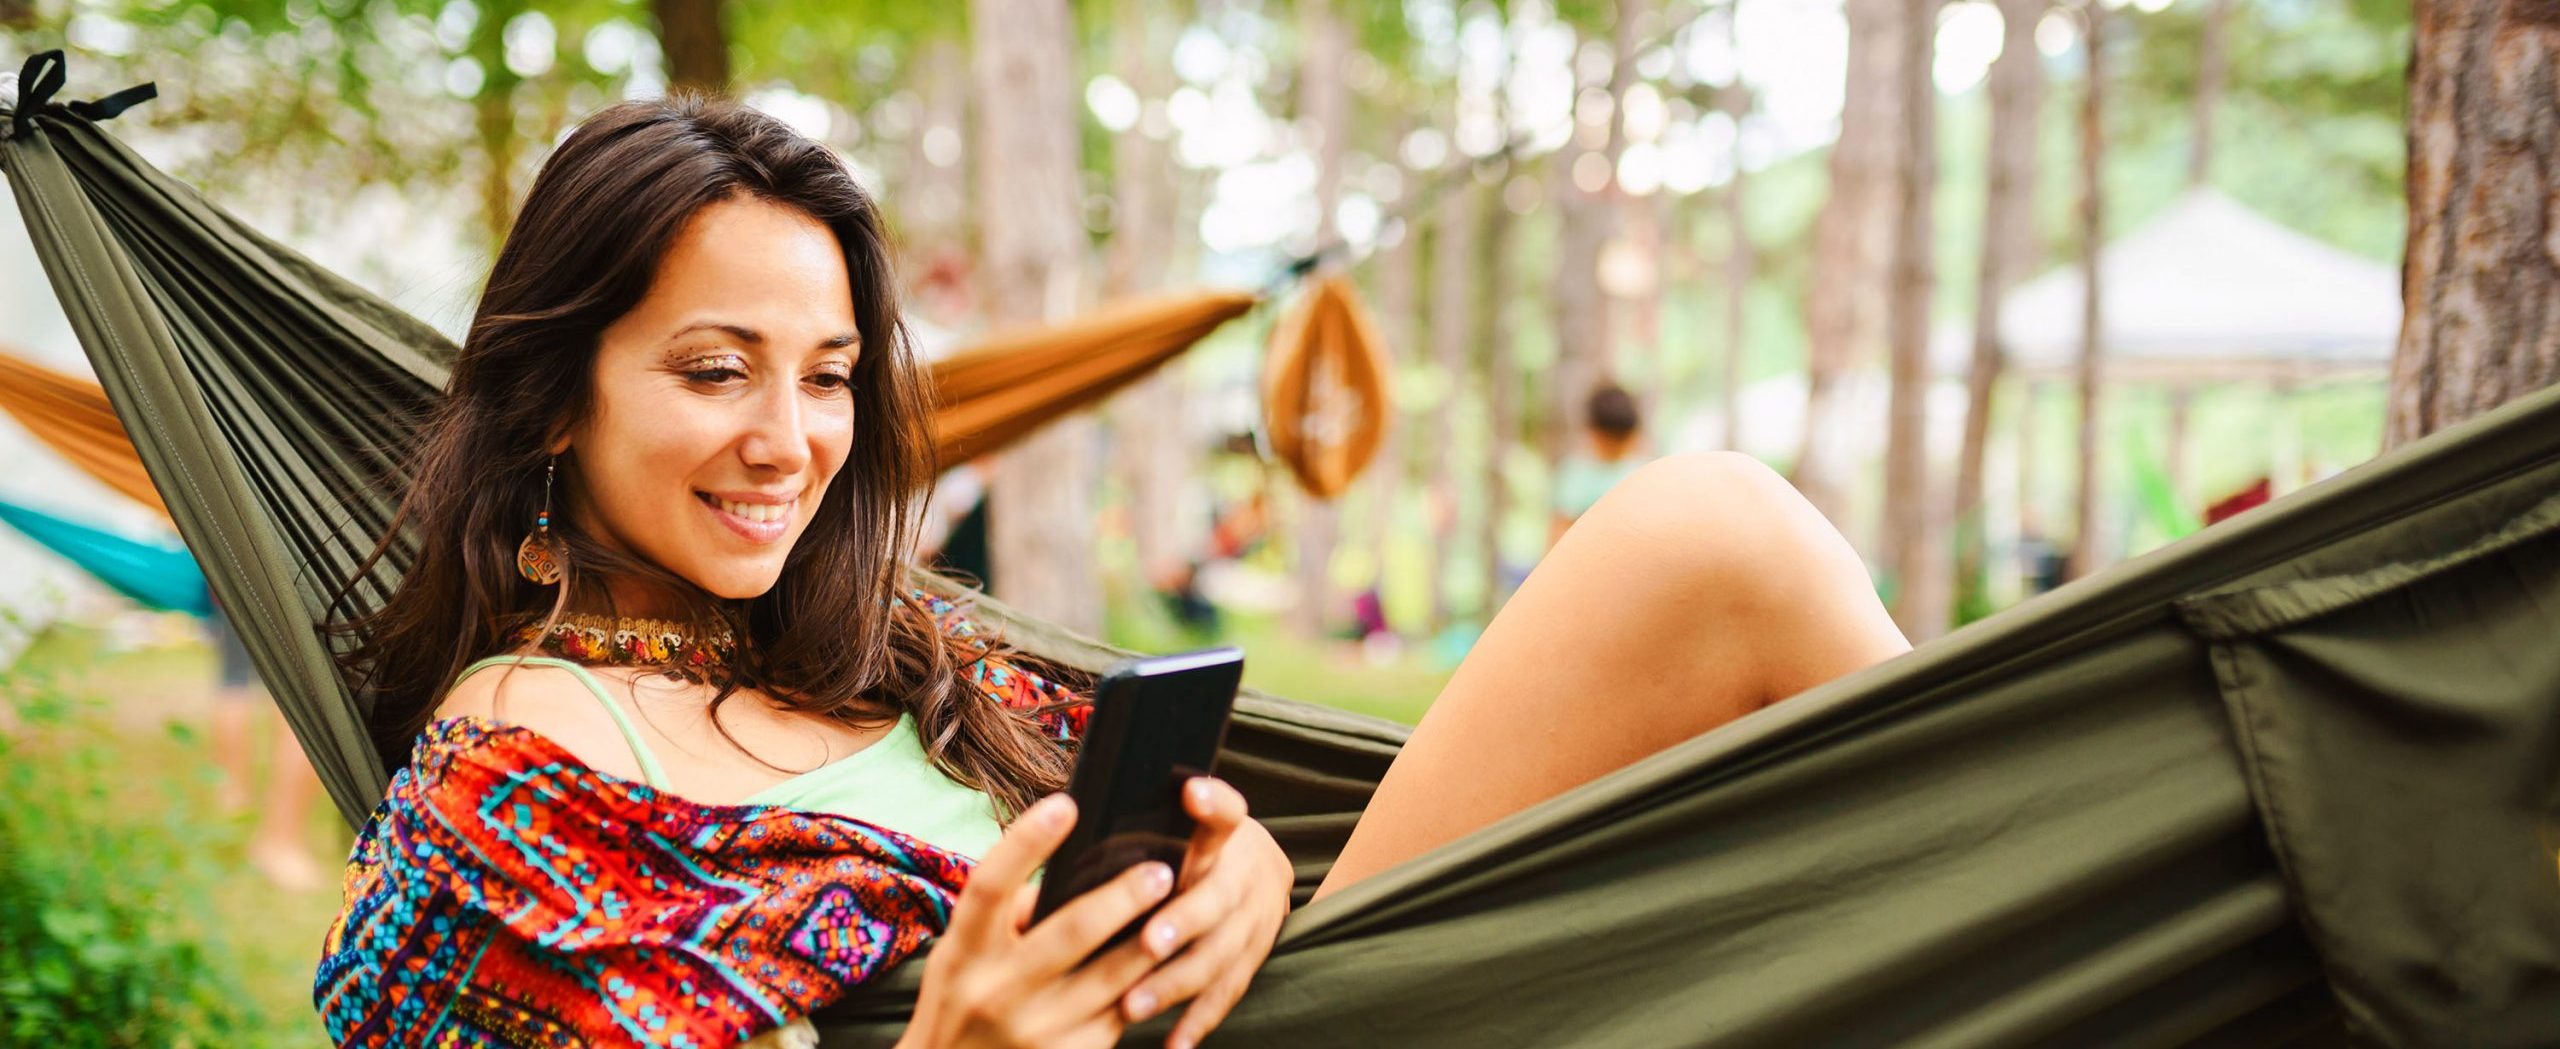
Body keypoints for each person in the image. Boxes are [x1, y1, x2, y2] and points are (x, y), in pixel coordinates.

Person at [316, 97, 1908, 1049]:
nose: (791, 440)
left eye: (827, 374)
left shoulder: (890, 652)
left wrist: (1251, 870)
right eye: (716, 369)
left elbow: (1191, 840)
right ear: (553, 393)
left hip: (1287, 1001)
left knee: (1723, 541)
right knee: (1708, 533)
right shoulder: (504, 791)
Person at [203, 604, 326, 891]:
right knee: (305, 694)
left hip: (233, 571)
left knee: (234, 679)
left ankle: (231, 815)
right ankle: (279, 842)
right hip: (287, 574)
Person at [1549, 382, 1649, 550]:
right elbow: (1559, 531)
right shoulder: (1576, 475)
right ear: (1594, 433)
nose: (1614, 447)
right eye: (1609, 440)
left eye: (1621, 440)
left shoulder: (1643, 473)